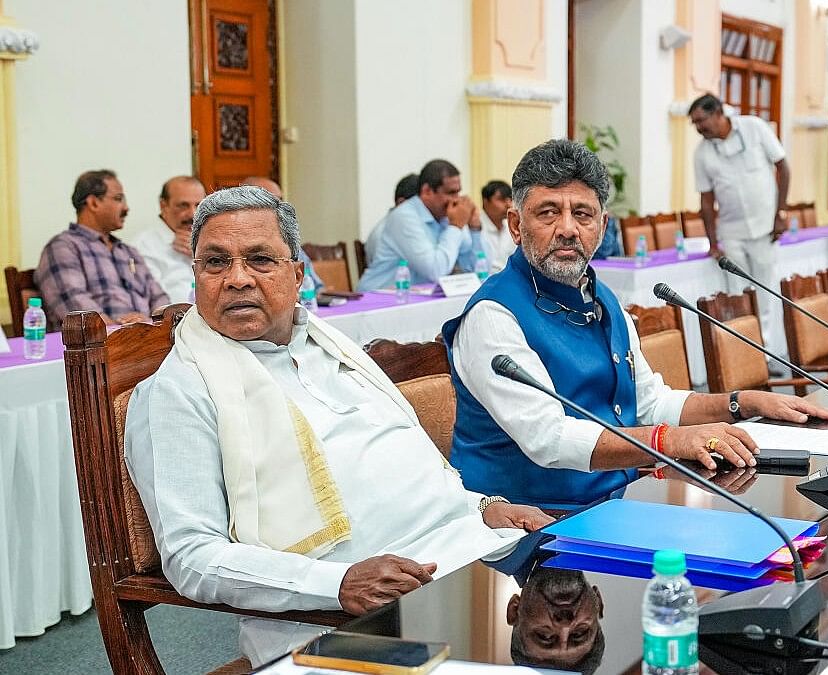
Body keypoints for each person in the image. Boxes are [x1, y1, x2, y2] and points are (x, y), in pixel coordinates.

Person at [123, 186, 551, 666]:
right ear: (196, 274)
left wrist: (485, 507)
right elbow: (191, 557)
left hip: (467, 560)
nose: (237, 279)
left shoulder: (328, 348)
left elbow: (401, 472)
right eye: (216, 263)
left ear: (298, 273)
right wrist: (339, 583)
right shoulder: (179, 391)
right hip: (344, 621)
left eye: (260, 260)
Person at [443, 139, 828, 510]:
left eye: (582, 214)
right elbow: (548, 438)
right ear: (515, 225)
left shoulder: (601, 300)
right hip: (534, 523)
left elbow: (650, 402)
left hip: (614, 500)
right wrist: (667, 441)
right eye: (548, 212)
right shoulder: (494, 316)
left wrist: (743, 403)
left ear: (601, 227)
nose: (567, 228)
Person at [689, 93, 790, 361]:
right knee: (737, 294)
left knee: (765, 291)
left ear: (719, 112)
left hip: (765, 228)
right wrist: (713, 242)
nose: (699, 128)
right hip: (731, 233)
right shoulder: (701, 153)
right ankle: (742, 355)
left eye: (702, 120)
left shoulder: (754, 127)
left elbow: (783, 166)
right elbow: (706, 199)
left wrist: (781, 212)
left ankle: (765, 357)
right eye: (695, 123)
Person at [34, 169, 169, 328]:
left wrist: (149, 324)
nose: (126, 208)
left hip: (148, 342)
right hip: (98, 348)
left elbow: (160, 299)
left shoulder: (128, 252)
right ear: (93, 203)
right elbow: (78, 311)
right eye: (118, 199)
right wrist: (127, 333)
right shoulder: (63, 247)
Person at [358, 160, 482, 289]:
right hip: (378, 299)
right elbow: (436, 271)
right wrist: (455, 226)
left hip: (416, 300)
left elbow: (477, 270)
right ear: (427, 191)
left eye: (458, 192)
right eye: (450, 193)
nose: (457, 199)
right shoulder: (404, 217)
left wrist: (475, 228)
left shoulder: (446, 217)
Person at [509, 566, 605, 675]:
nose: (565, 625)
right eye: (579, 633)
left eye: (545, 636)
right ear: (598, 602)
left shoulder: (494, 553)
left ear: (514, 610)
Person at [242, 176, 324, 294]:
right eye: (271, 201)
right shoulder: (228, 245)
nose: (279, 207)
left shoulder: (289, 242)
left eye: (280, 200)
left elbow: (317, 287)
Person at [130, 176, 207, 303]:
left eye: (198, 205)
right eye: (183, 205)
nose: (193, 214)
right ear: (163, 205)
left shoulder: (209, 239)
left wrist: (199, 254)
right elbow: (147, 300)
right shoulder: (142, 246)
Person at [480, 180, 516, 273]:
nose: (508, 205)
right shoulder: (474, 229)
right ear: (485, 201)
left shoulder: (512, 227)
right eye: (501, 199)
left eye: (510, 199)